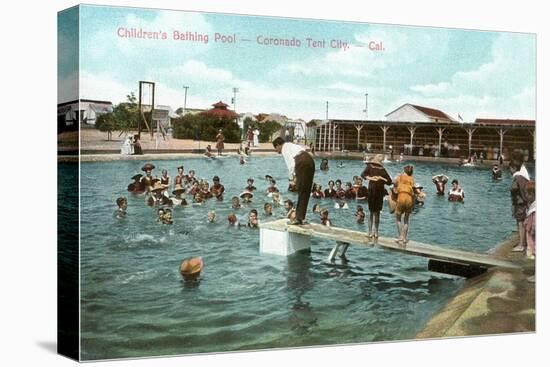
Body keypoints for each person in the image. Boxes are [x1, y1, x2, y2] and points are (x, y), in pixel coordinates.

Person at [273, 137, 315, 225]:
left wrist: (291, 178)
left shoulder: (284, 148)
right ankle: (301, 218)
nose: (277, 151)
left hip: (301, 161)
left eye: (276, 148)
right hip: (310, 160)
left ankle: (298, 218)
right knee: (306, 191)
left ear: (278, 145)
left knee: (301, 190)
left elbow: (291, 164)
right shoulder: (292, 145)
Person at [361, 154, 392, 239]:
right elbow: (363, 175)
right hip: (372, 191)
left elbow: (389, 182)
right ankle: (371, 232)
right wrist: (372, 178)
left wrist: (381, 178)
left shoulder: (382, 170)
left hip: (378, 192)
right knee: (372, 212)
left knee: (376, 212)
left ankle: (375, 232)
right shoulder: (370, 167)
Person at [509, 152, 530, 253]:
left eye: (510, 168)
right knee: (520, 223)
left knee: (520, 223)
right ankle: (522, 242)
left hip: (520, 204)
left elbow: (522, 191)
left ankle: (521, 244)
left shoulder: (518, 177)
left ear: (513, 168)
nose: (509, 170)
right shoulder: (522, 174)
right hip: (520, 203)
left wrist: (526, 202)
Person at [393, 165, 415, 245]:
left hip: (401, 196)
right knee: (406, 219)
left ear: (404, 170)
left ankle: (400, 238)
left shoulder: (400, 176)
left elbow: (394, 183)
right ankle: (405, 238)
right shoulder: (411, 178)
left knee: (398, 218)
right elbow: (413, 187)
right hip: (409, 198)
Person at [524, 181, 536, 259]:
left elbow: (534, 223)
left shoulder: (534, 209)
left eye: (527, 194)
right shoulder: (533, 205)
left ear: (532, 194)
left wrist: (532, 229)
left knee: (533, 247)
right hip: (531, 234)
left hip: (532, 235)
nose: (526, 196)